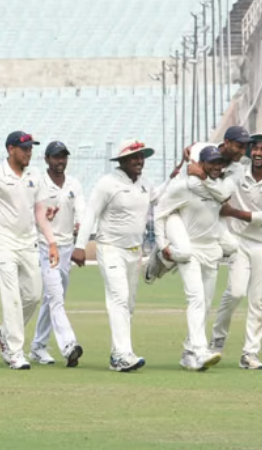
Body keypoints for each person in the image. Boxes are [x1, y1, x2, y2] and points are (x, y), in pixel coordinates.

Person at [71, 140, 172, 372]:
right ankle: (121, 354)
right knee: (119, 297)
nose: (139, 161)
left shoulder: (145, 183)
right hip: (110, 248)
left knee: (129, 303)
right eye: (134, 157)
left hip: (134, 252)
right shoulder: (108, 183)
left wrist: (177, 173)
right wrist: (80, 245)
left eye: (142, 157)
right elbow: (90, 214)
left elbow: (159, 197)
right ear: (123, 160)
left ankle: (121, 352)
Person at [0, 131, 59, 370]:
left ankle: (4, 333)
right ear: (11, 149)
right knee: (11, 298)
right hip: (2, 242)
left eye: (31, 148)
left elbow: (40, 214)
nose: (28, 153)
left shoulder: (35, 175)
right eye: (24, 149)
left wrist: (52, 242)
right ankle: (15, 352)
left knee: (33, 295)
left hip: (28, 242)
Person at [211, 133, 262, 370]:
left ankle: (250, 354)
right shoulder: (237, 174)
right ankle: (217, 340)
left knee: (259, 300)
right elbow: (214, 169)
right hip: (239, 242)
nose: (258, 153)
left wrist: (231, 212)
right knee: (235, 293)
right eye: (255, 148)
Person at [154, 146, 236, 371]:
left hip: (210, 251)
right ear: (201, 164)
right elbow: (160, 212)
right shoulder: (183, 188)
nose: (217, 167)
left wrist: (201, 178)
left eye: (220, 163)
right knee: (196, 299)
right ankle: (200, 350)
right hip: (189, 250)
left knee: (207, 303)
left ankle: (189, 352)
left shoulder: (222, 185)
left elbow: (224, 196)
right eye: (212, 163)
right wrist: (162, 246)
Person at [29, 141, 84, 367]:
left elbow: (82, 210)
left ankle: (38, 346)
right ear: (46, 159)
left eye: (63, 157)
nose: (60, 161)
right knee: (56, 297)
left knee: (52, 299)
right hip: (44, 246)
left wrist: (80, 232)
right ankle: (69, 345)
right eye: (56, 157)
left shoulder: (73, 184)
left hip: (66, 247)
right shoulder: (39, 184)